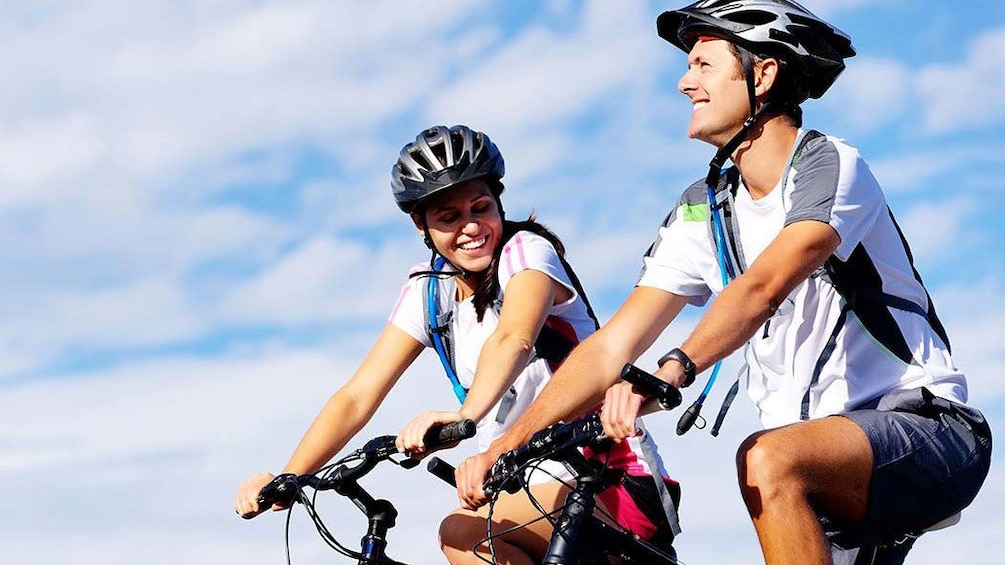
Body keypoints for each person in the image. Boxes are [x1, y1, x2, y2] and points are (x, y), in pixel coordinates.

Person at [455, 2, 992, 564]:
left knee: (767, 459)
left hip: (926, 430)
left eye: (704, 65)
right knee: (775, 465)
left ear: (763, 74)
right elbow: (612, 345)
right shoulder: (701, 211)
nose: (685, 82)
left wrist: (672, 367)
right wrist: (507, 444)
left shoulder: (828, 165)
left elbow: (762, 287)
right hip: (817, 467)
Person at [234, 125, 679, 564]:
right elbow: (357, 394)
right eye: (448, 217)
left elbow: (514, 338)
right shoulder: (428, 294)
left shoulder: (526, 253)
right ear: (420, 225)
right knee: (470, 530)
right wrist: (291, 475)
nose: (471, 227)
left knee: (462, 532)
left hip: (610, 480)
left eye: (481, 207)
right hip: (521, 488)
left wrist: (464, 419)